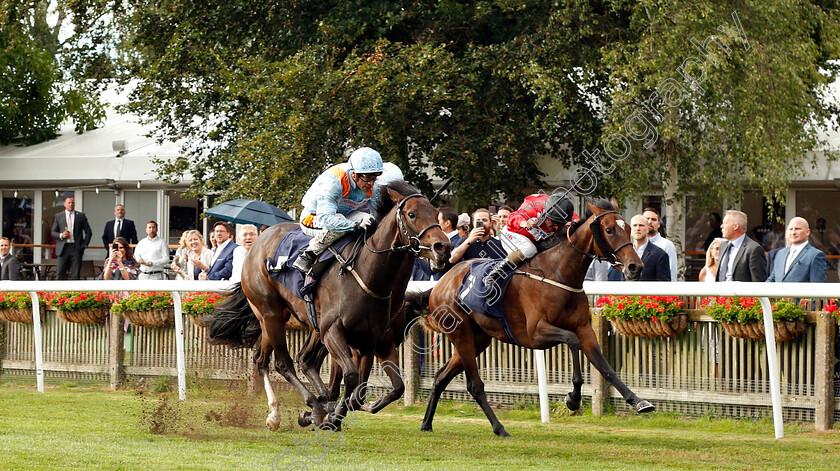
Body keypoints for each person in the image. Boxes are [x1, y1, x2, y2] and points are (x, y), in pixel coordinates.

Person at [291, 147, 384, 274]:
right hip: (314, 217)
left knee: (369, 220)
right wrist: (354, 225)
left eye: (375, 177)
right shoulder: (335, 180)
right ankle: (308, 255)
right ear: (354, 174)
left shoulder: (372, 186)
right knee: (338, 222)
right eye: (367, 178)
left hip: (345, 215)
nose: (371, 184)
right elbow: (328, 220)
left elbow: (378, 214)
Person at [480, 193, 575, 283]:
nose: (557, 228)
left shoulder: (565, 211)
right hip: (512, 233)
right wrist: (524, 223)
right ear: (545, 214)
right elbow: (511, 218)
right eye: (553, 223)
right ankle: (495, 274)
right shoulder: (533, 207)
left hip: (533, 239)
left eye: (560, 224)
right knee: (529, 249)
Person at [608, 215, 670, 281]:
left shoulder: (660, 255)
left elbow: (663, 284)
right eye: (634, 225)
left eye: (641, 225)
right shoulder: (622, 253)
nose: (637, 228)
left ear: (648, 228)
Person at [767, 217, 827, 282]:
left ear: (808, 232)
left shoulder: (815, 255)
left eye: (797, 229)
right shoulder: (780, 253)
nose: (793, 232)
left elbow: (817, 287)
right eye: (790, 229)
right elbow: (772, 279)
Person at [716, 210, 767, 282]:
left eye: (725, 223)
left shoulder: (753, 249)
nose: (721, 226)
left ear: (735, 226)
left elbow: (758, 282)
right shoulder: (723, 246)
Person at [50, 196, 93, 280]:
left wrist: (84, 245)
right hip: (63, 248)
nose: (71, 204)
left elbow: (88, 232)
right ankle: (58, 292)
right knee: (60, 272)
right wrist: (61, 235)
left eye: (72, 203)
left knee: (75, 273)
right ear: (64, 204)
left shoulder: (80, 216)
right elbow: (53, 232)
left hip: (76, 247)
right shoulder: (59, 216)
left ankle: (74, 292)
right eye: (69, 203)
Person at [643, 207, 678, 281]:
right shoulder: (634, 246)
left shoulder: (667, 245)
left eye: (653, 219)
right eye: (647, 219)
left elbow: (672, 274)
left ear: (658, 224)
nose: (649, 222)